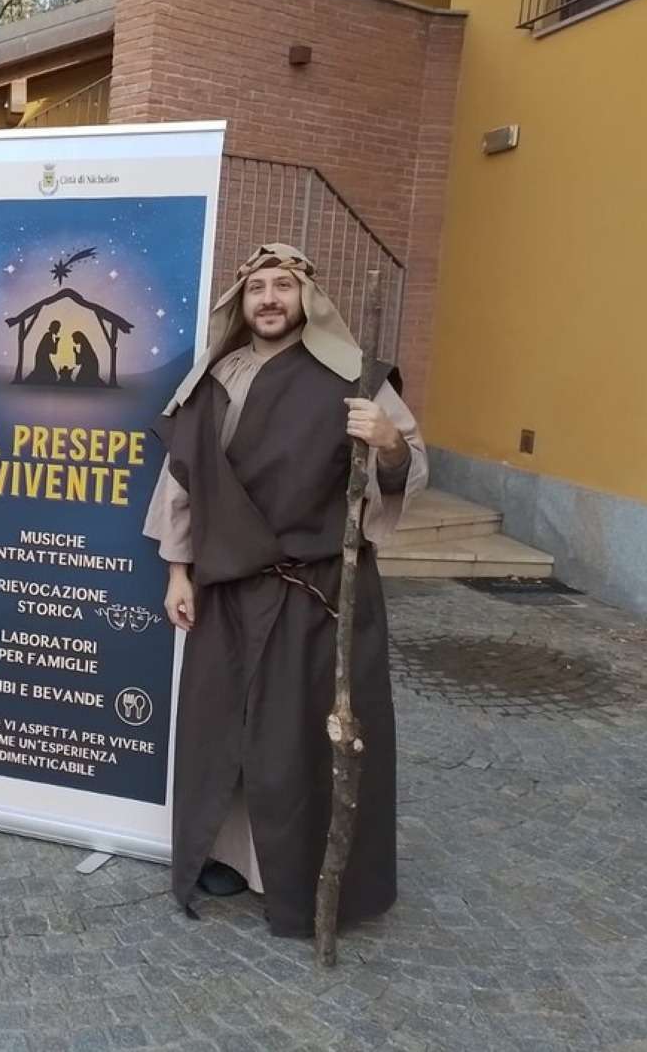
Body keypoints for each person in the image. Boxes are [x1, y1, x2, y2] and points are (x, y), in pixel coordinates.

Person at [143, 242, 427, 937]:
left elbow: (407, 469)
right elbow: (184, 481)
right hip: (229, 587)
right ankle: (231, 855)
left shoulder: (356, 377)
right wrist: (178, 570)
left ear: (308, 298)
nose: (269, 298)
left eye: (283, 286)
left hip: (319, 593)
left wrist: (388, 442)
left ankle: (291, 874)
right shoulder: (215, 376)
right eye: (256, 289)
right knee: (225, 731)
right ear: (240, 305)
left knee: (300, 740)